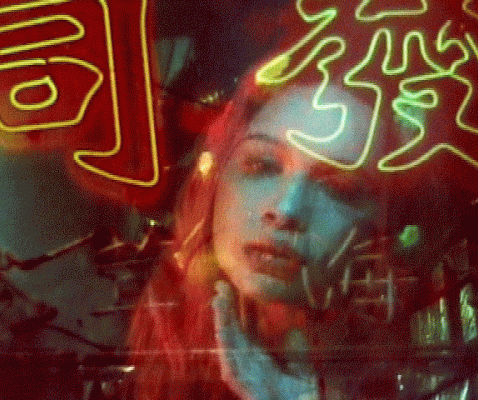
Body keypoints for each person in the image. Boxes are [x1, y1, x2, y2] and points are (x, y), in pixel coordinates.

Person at [128, 63, 409, 400]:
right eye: (262, 165)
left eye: (337, 186)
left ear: (376, 231)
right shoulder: (133, 356)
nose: (287, 210)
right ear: (216, 180)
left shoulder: (407, 369)